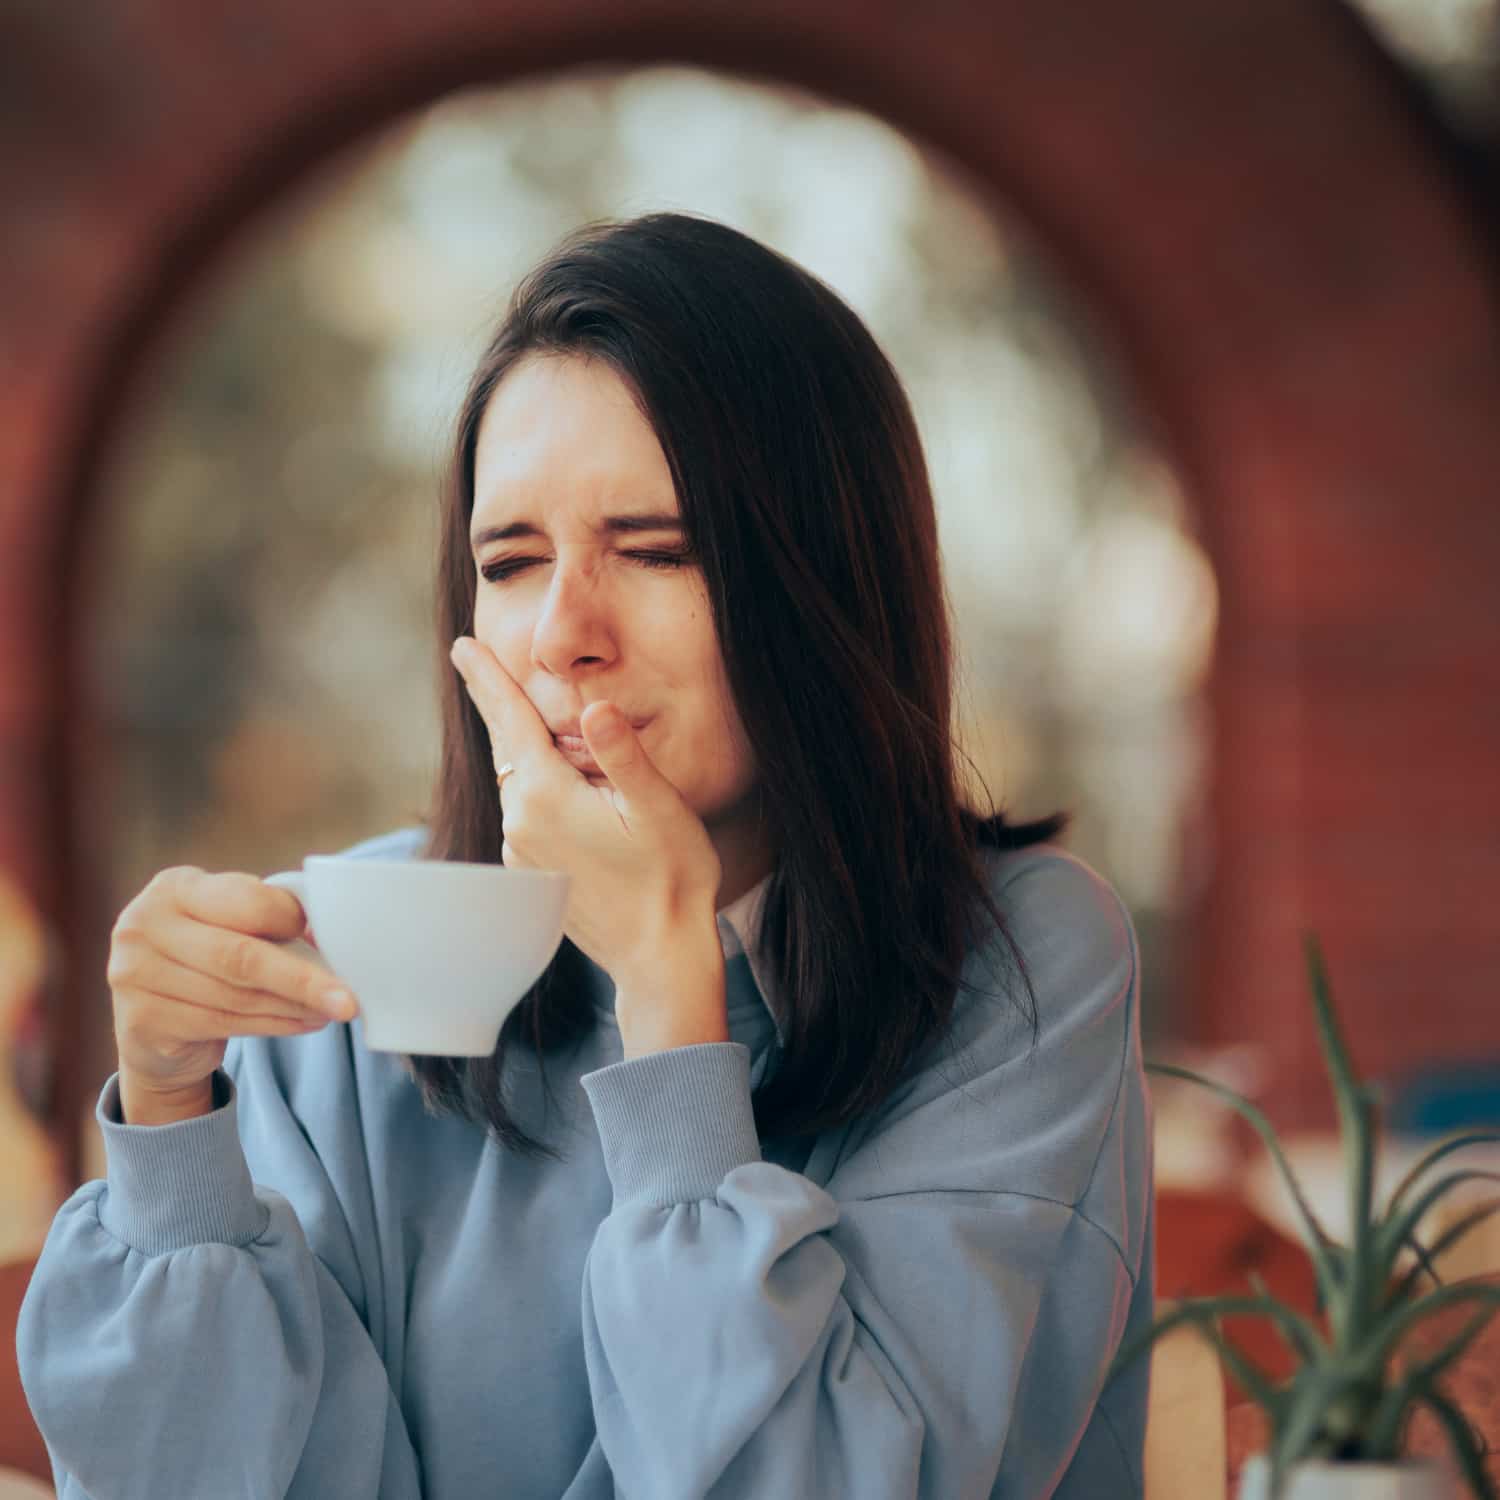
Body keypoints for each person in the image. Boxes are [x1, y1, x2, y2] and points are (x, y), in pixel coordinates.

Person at [18, 212, 1154, 1498]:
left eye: (659, 550)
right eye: (510, 562)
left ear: (829, 581)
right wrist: (170, 1127)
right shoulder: (355, 956)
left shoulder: (1018, 960)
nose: (565, 633)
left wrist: (670, 1003)